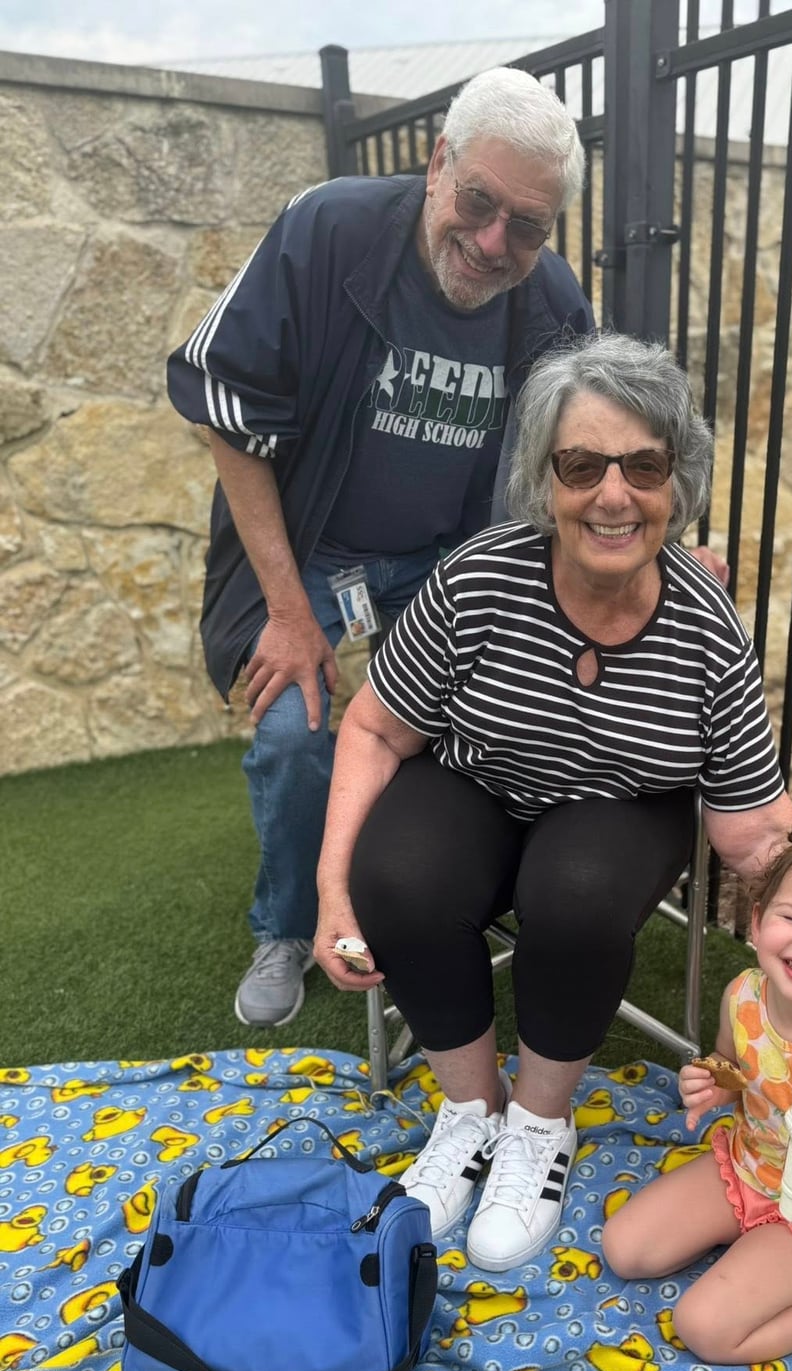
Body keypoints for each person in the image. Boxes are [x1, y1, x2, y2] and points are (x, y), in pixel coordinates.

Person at [314, 332, 792, 1273]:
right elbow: (374, 729)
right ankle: (469, 1114)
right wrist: (336, 895)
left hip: (623, 806)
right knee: (398, 874)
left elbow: (753, 827)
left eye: (644, 466)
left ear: (676, 484)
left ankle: (538, 1127)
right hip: (482, 779)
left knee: (574, 891)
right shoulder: (480, 579)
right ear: (545, 480)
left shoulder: (708, 630)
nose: (613, 494)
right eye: (582, 465)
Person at [166, 68, 594, 1027]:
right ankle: (283, 925)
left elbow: (588, 447)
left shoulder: (553, 301)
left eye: (528, 225)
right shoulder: (328, 230)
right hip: (317, 549)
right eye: (479, 202)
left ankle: (423, 901)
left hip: (451, 560)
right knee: (293, 732)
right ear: (438, 162)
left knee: (469, 725)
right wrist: (285, 610)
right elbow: (228, 415)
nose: (494, 243)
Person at [602, 811, 792, 1364]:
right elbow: (732, 1067)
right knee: (624, 1249)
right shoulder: (744, 994)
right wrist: (709, 1084)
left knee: (704, 1328)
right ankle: (751, 1250)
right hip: (746, 1166)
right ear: (756, 920)